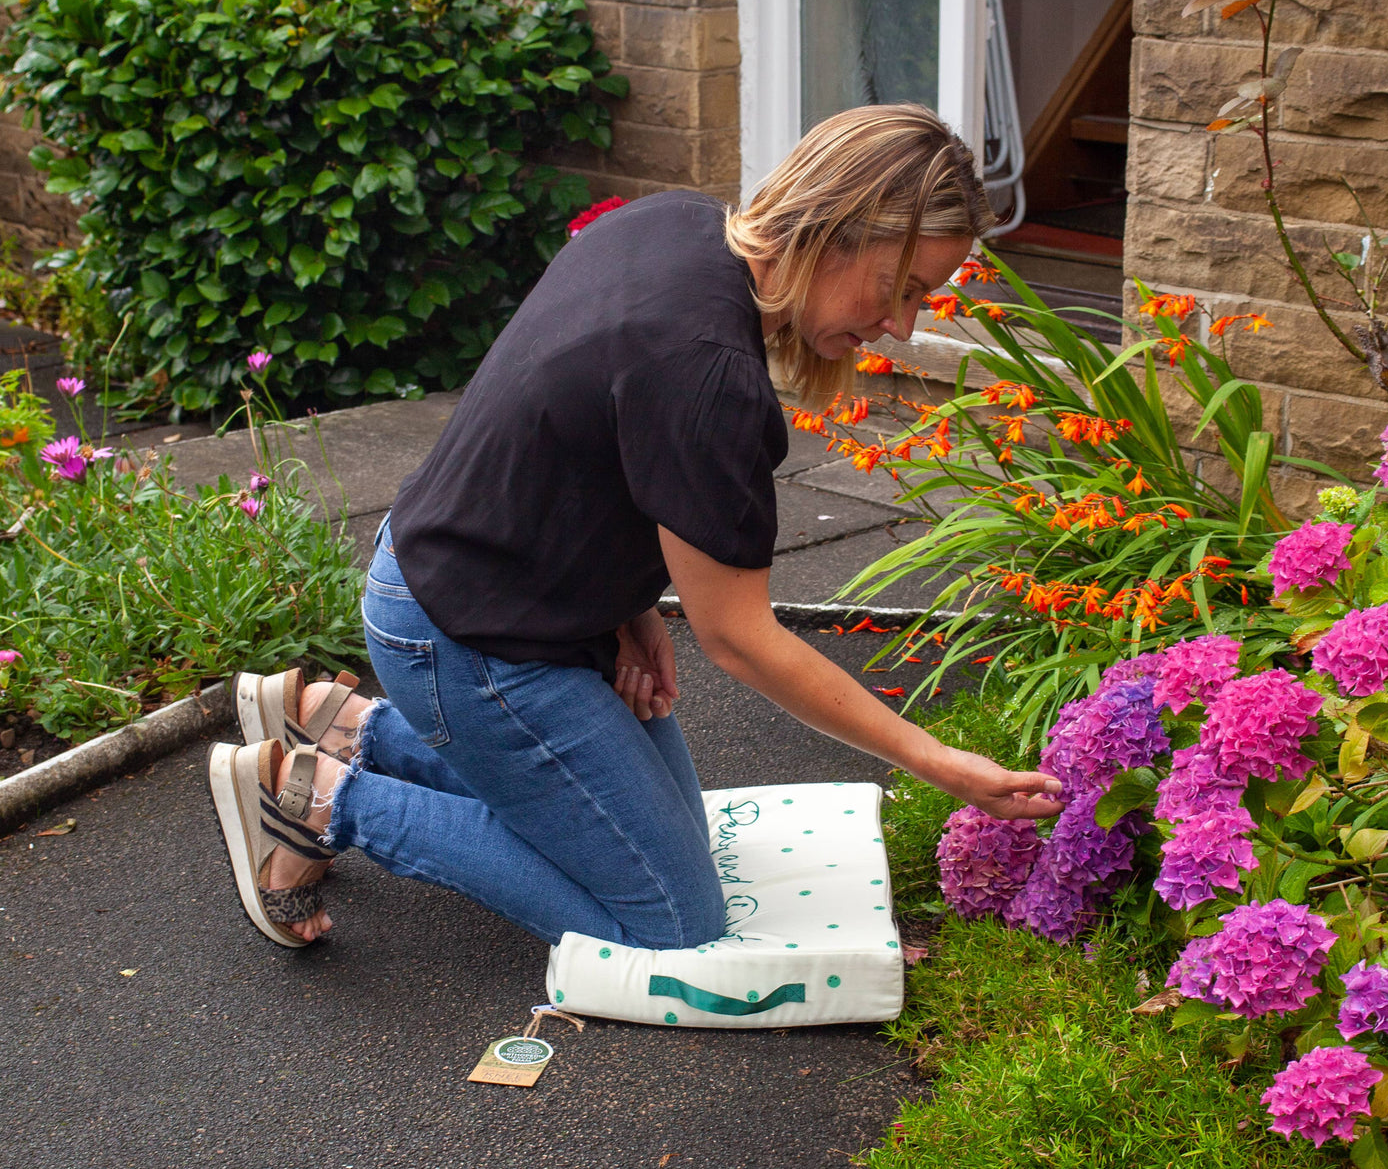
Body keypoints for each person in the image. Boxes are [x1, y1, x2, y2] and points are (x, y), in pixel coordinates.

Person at [208, 103, 1065, 952]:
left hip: (472, 578)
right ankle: (313, 800)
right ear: (838, 228)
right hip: (468, 636)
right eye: (902, 287)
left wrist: (633, 609)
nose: (902, 326)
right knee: (668, 915)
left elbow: (580, 444)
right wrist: (938, 762)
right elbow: (740, 640)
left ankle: (344, 724)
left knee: (670, 845)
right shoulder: (708, 376)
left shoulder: (680, 223)